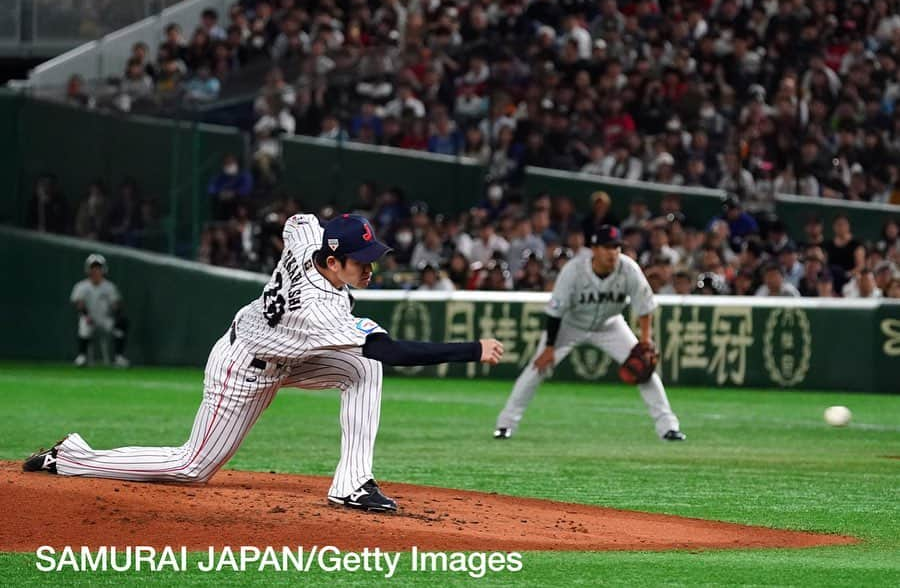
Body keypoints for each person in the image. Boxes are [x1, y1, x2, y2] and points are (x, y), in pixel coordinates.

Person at [25, 214, 504, 513]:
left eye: (370, 256)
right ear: (332, 263)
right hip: (243, 370)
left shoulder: (308, 243)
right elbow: (394, 351)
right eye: (360, 260)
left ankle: (352, 484)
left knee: (360, 370)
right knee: (192, 465)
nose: (369, 267)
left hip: (285, 356)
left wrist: (310, 234)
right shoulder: (319, 310)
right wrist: (470, 348)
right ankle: (72, 456)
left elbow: (297, 220)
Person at [493, 225, 684, 441]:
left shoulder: (629, 269)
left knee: (644, 370)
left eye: (616, 247)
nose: (612, 252)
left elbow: (645, 307)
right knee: (536, 369)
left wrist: (646, 341)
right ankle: (504, 425)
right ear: (594, 249)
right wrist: (548, 349)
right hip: (570, 324)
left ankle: (668, 427)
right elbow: (555, 312)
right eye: (607, 247)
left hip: (610, 325)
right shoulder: (574, 271)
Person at [70, 254, 129, 368]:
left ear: (103, 269)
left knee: (122, 323)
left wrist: (117, 313)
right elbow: (79, 304)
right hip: (89, 319)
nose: (96, 271)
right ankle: (82, 357)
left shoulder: (109, 287)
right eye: (93, 268)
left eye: (98, 268)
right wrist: (87, 316)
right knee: (84, 325)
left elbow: (116, 305)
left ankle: (119, 357)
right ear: (88, 269)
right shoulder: (81, 286)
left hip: (105, 319)